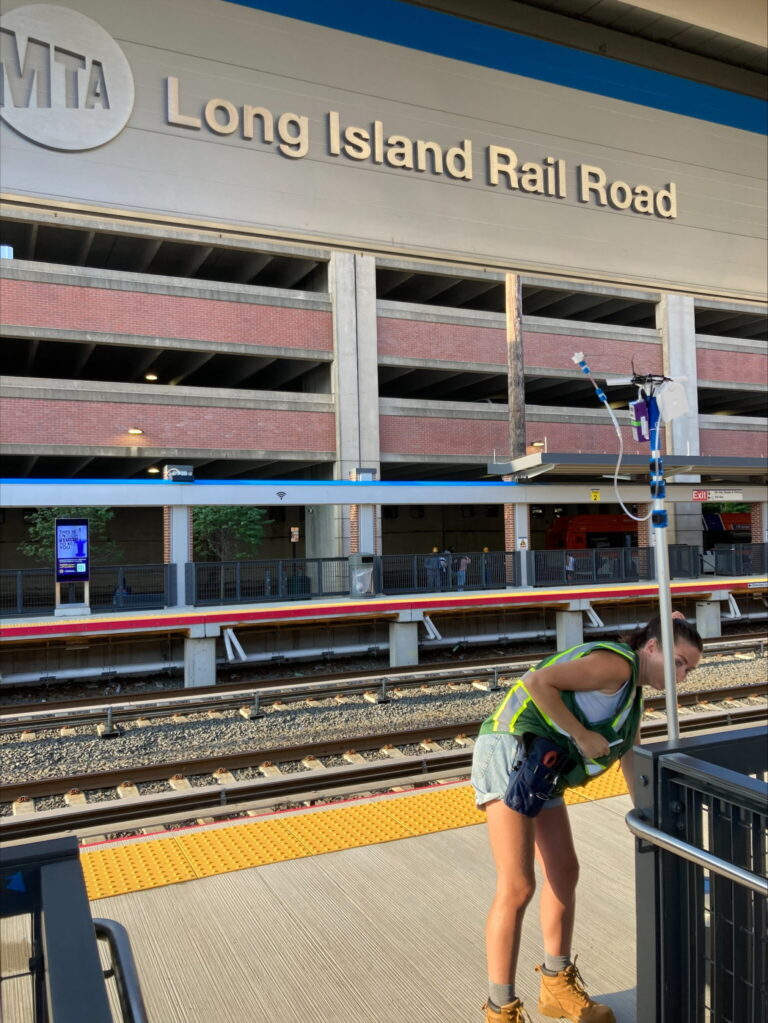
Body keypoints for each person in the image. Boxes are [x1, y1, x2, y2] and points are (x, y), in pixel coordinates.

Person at [472, 612, 702, 1023]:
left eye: (690, 669)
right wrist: (580, 734)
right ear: (652, 647)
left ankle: (557, 985)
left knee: (564, 871)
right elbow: (537, 683)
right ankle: (499, 1009)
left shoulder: (633, 695)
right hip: (510, 754)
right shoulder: (617, 664)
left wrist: (646, 812)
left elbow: (631, 753)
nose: (683, 675)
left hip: (543, 768)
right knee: (518, 885)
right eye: (681, 661)